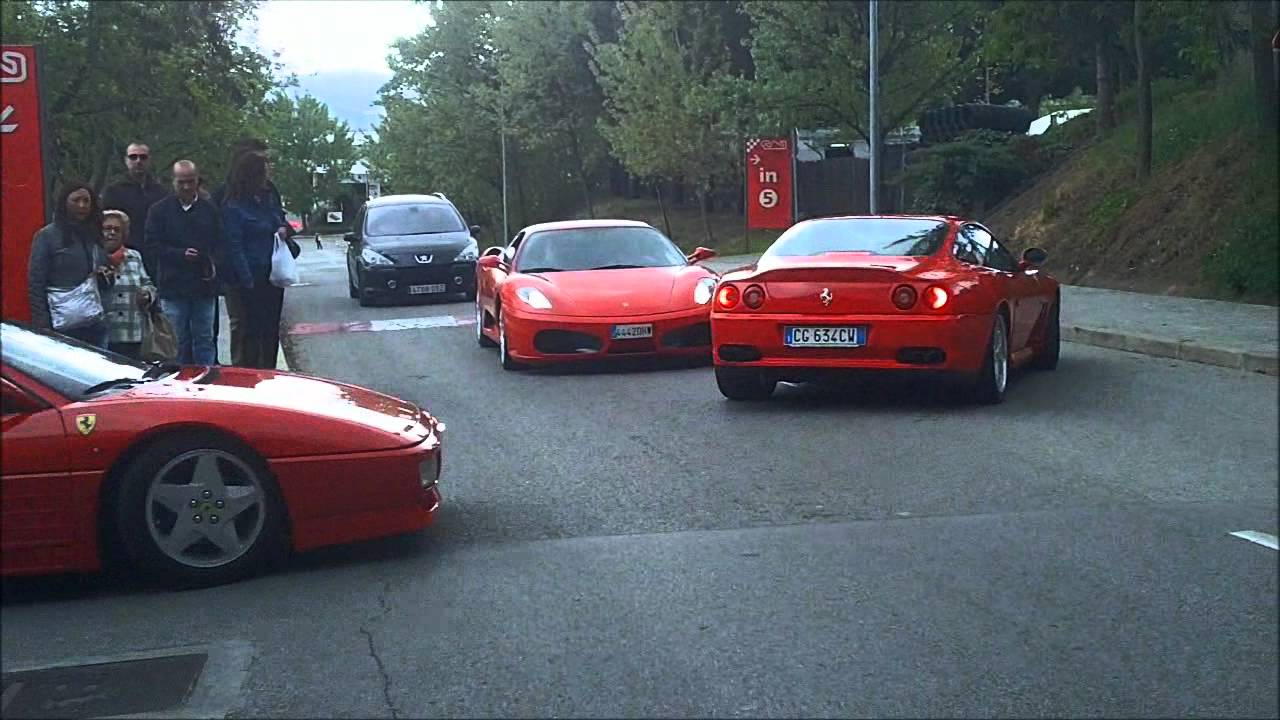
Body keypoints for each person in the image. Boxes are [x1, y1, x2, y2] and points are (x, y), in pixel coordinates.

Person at [210, 138, 299, 364]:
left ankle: (269, 370)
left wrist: (283, 229)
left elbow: (279, 219)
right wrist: (246, 280)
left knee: (270, 329)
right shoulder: (231, 203)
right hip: (247, 277)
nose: (269, 172)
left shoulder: (268, 197)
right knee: (247, 329)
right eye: (264, 167)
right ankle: (246, 372)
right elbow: (233, 244)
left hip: (271, 273)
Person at [144, 160, 222, 365]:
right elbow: (151, 246)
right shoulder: (159, 211)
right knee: (177, 341)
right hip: (173, 286)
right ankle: (177, 383)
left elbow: (221, 243)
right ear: (173, 182)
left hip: (203, 286)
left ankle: (206, 380)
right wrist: (179, 254)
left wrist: (209, 260)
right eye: (181, 182)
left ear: (198, 181)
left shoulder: (209, 210)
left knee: (204, 339)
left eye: (190, 181)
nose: (186, 187)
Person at [27, 181, 115, 347]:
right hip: (61, 322)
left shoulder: (95, 235)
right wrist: (43, 325)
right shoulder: (47, 236)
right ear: (64, 202)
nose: (82, 206)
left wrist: (107, 276)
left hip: (95, 321)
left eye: (86, 201)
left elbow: (107, 281)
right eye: (76, 200)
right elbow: (36, 283)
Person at [101, 142, 167, 273]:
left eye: (143, 157)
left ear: (149, 160)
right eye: (133, 157)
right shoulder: (113, 191)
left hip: (155, 258)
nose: (138, 161)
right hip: (124, 257)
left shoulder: (162, 192)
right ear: (126, 161)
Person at [101, 209, 157, 360]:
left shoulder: (134, 256)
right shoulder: (94, 257)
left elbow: (148, 283)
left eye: (117, 230)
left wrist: (147, 294)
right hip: (105, 334)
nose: (111, 233)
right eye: (107, 228)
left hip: (133, 333)